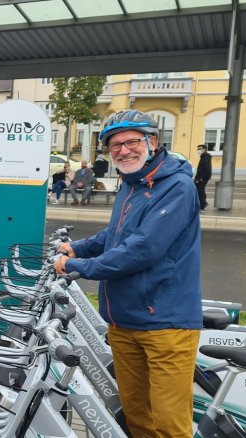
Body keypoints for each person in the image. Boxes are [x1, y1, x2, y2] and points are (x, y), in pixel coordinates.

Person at [53, 109, 201, 438]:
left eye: (131, 141)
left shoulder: (176, 187)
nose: (123, 150)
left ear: (151, 141)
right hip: (123, 323)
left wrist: (78, 266)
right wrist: (78, 247)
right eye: (114, 145)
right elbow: (116, 236)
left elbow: (143, 248)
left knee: (168, 426)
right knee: (137, 418)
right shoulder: (131, 184)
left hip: (166, 326)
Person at [194, 143, 212, 211]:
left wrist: (201, 178)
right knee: (199, 191)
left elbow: (206, 168)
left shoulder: (206, 156)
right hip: (201, 177)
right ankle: (203, 203)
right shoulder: (203, 156)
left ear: (204, 149)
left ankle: (202, 205)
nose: (198, 150)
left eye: (200, 149)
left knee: (200, 191)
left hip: (202, 178)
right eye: (198, 149)